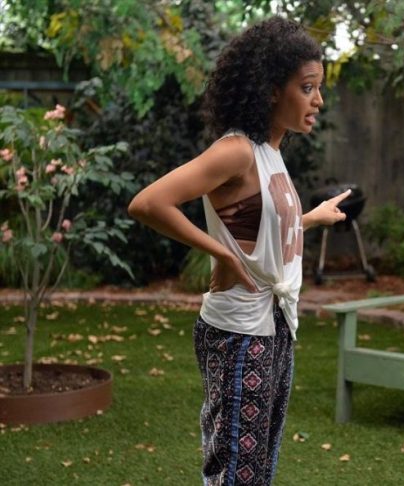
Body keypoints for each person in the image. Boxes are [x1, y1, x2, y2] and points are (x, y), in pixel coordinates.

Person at [128, 16, 349, 485]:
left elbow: (257, 232)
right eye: (307, 87)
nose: (318, 100)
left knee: (256, 471)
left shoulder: (271, 150)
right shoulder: (236, 152)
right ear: (272, 89)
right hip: (238, 333)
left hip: (273, 327)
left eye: (319, 88)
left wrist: (310, 217)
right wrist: (222, 256)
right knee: (236, 473)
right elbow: (148, 203)